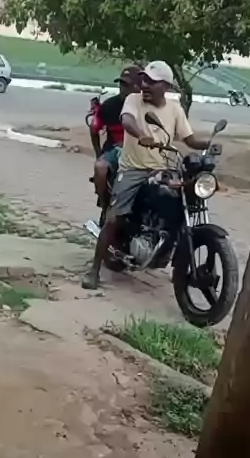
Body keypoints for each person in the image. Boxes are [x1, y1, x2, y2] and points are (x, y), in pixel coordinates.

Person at [82, 60, 211, 290]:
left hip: (163, 168)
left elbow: (189, 139)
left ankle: (169, 249)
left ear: (166, 86)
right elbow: (127, 120)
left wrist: (209, 144)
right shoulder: (134, 100)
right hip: (133, 169)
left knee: (183, 201)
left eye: (151, 82)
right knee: (115, 218)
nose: (145, 85)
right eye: (144, 80)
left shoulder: (175, 109)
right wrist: (141, 135)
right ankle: (94, 270)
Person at [89, 65, 142, 209]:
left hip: (141, 150)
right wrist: (99, 154)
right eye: (121, 84)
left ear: (139, 86)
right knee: (100, 167)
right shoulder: (109, 106)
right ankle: (104, 204)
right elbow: (94, 129)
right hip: (114, 148)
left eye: (127, 85)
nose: (123, 88)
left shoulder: (147, 106)